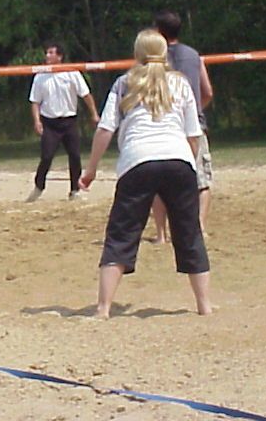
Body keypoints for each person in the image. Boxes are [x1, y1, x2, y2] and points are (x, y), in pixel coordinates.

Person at [79, 30, 212, 318]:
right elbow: (193, 133)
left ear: (137, 53)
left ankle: (103, 308)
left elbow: (105, 129)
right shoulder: (181, 83)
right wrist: (187, 163)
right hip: (178, 160)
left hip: (137, 161)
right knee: (190, 233)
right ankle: (204, 305)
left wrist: (90, 171)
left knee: (121, 234)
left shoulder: (123, 83)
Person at [151, 9, 215, 242]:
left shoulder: (153, 58)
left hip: (164, 126)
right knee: (201, 180)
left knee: (159, 183)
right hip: (193, 125)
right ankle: (198, 228)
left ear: (158, 32)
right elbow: (207, 92)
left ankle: (161, 235)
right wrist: (194, 109)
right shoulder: (194, 55)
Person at [26, 41, 99, 201]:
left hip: (69, 121)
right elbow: (35, 101)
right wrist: (37, 121)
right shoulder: (40, 76)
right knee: (46, 156)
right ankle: (39, 186)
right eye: (47, 53)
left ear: (60, 56)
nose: (47, 56)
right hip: (50, 123)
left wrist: (94, 114)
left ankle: (75, 190)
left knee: (74, 156)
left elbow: (86, 95)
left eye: (51, 53)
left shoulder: (72, 73)